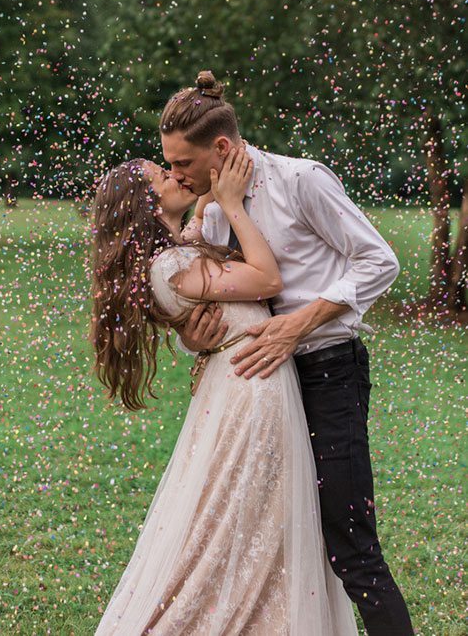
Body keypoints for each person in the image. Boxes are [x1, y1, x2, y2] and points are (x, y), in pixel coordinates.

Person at [160, 70, 414, 636]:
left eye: (182, 163)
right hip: (260, 391)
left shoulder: (302, 181)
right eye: (169, 165)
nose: (175, 176)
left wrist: (298, 324)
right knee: (269, 538)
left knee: (350, 545)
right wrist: (192, 340)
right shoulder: (214, 208)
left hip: (327, 376)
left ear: (221, 148)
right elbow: (223, 301)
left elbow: (380, 262)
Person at [90, 148, 359, 634]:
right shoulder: (171, 263)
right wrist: (232, 204)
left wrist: (205, 199)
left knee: (257, 518)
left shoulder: (176, 250)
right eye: (160, 175)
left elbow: (200, 242)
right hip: (249, 392)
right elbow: (267, 278)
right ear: (143, 204)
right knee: (246, 519)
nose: (173, 175)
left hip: (247, 382)